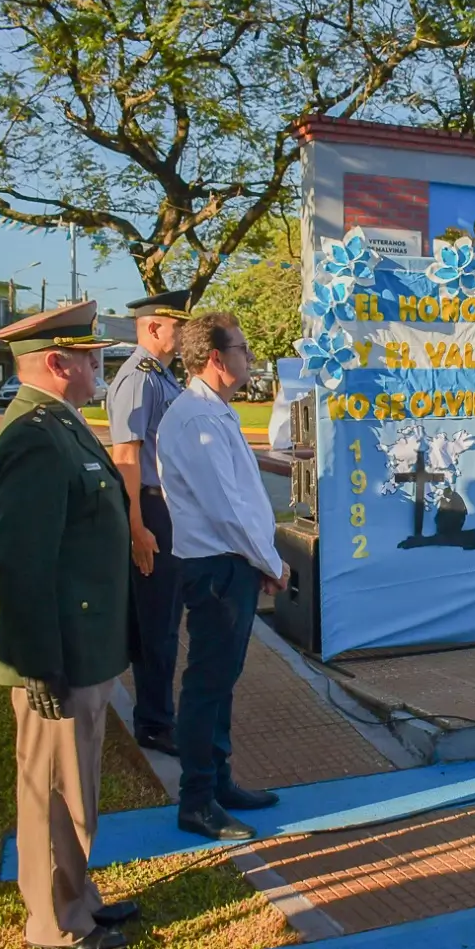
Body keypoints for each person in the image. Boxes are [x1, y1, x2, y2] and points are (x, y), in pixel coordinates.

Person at [0, 300, 137, 949]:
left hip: (85, 644)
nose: (101, 364)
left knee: (77, 786)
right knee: (52, 789)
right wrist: (37, 663)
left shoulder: (60, 424)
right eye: (92, 355)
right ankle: (53, 922)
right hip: (59, 652)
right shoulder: (33, 436)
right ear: (57, 361)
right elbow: (21, 564)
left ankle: (79, 899)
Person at [157, 312, 290, 841]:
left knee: (221, 681)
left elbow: (242, 501)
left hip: (231, 563)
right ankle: (196, 800)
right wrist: (271, 562)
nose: (250, 358)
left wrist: (259, 558)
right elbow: (226, 510)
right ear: (215, 357)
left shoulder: (215, 413)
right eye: (242, 349)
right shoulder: (196, 420)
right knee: (207, 684)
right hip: (216, 567)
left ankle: (218, 782)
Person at [107, 291, 188, 757]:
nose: (183, 333)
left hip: (165, 507)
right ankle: (156, 722)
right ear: (154, 327)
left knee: (161, 620)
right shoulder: (139, 379)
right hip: (151, 508)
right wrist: (137, 526)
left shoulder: (160, 375)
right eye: (177, 324)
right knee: (156, 623)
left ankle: (155, 715)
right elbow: (126, 458)